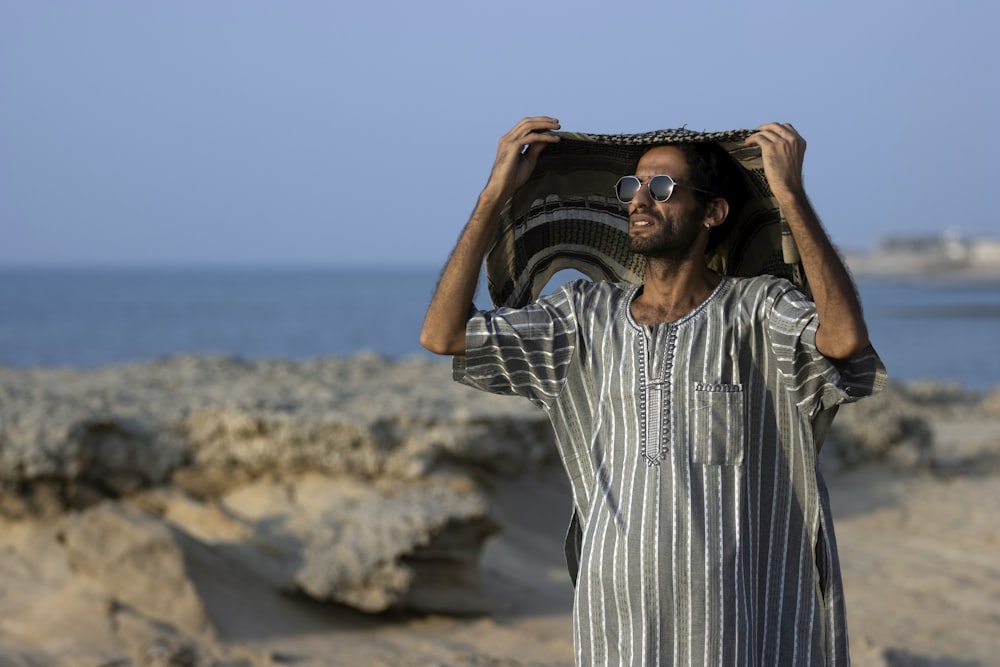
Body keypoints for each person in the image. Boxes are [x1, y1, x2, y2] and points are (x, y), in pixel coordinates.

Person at [420, 116, 886, 666]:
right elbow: (443, 334)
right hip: (614, 617)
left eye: (662, 187)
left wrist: (790, 194)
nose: (640, 200)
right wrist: (493, 193)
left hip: (732, 619)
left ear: (712, 212)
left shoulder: (758, 311)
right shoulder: (584, 316)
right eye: (632, 187)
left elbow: (843, 338)